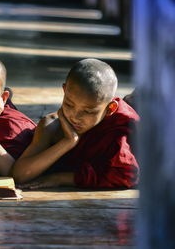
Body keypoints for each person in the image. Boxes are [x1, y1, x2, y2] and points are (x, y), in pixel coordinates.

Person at [12, 58, 139, 189]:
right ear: (64, 90)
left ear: (110, 108)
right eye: (68, 104)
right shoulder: (52, 125)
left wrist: (61, 178)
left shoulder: (121, 129)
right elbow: (20, 175)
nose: (75, 117)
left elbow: (127, 175)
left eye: (88, 111)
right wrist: (68, 142)